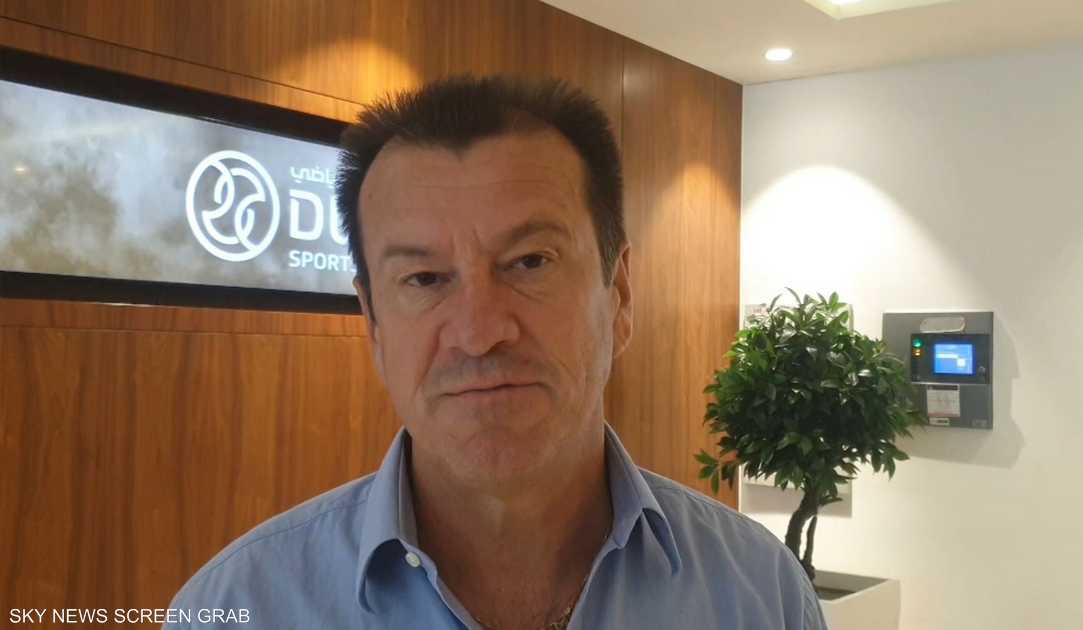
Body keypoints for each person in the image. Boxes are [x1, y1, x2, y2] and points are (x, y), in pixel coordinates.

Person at [166, 75, 827, 630]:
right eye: (424, 278)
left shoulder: (760, 597)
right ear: (373, 322)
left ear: (620, 295)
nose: (479, 332)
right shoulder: (239, 607)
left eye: (530, 261)